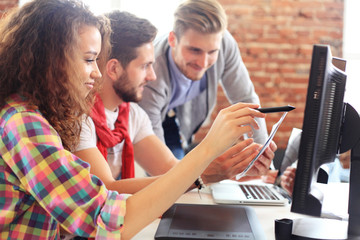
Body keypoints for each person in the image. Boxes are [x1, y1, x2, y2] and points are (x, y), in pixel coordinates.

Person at [0, 0, 266, 239]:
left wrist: (205, 172)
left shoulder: (42, 116)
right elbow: (105, 219)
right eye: (90, 59)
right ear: (52, 59)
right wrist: (207, 152)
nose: (96, 72)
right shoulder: (26, 125)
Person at [73, 11, 276, 194]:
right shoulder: (78, 119)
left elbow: (170, 168)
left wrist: (232, 170)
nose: (152, 76)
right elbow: (106, 190)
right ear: (114, 69)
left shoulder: (132, 115)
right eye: (145, 66)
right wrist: (204, 173)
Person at [139, 0, 270, 159]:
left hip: (178, 118)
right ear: (173, 39)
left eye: (212, 52)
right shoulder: (151, 75)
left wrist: (260, 154)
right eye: (194, 50)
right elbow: (161, 166)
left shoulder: (224, 43)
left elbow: (246, 99)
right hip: (147, 119)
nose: (203, 63)